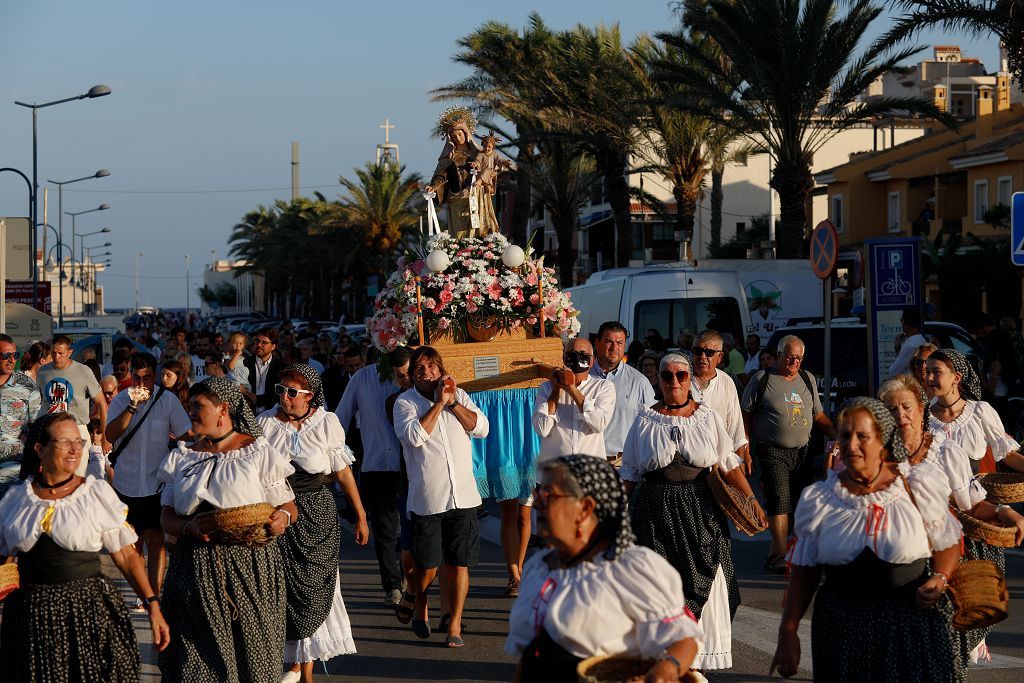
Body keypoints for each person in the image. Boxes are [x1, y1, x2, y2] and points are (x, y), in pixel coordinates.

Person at [771, 398, 962, 682]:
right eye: (844, 435)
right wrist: (788, 632)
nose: (850, 445)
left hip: (908, 627)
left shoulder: (917, 487)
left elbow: (948, 542)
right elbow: (805, 573)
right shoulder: (820, 499)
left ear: (883, 440)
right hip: (841, 631)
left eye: (862, 436)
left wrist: (941, 577)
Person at [621, 353, 764, 673]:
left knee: (710, 578)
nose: (674, 381)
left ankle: (693, 660)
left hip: (701, 511)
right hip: (654, 513)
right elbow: (629, 472)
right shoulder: (644, 419)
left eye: (681, 376)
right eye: (667, 376)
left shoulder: (708, 417)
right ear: (658, 380)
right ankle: (665, 657)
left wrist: (751, 499)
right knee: (659, 583)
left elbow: (728, 463)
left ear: (689, 380)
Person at [0, 413, 170, 680]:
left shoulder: (94, 494)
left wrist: (152, 605)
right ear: (40, 449)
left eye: (78, 442)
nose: (74, 450)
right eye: (64, 442)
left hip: (86, 610)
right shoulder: (17, 500)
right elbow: (5, 561)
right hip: (32, 617)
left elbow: (126, 555)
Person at [507, 456, 702, 682]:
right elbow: (528, 658)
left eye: (549, 493)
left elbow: (683, 639)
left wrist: (667, 669)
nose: (538, 501)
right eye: (538, 492)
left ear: (585, 508)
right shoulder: (539, 567)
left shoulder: (629, 570)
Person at [881, 374, 1024, 677]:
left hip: (937, 571)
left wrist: (1003, 510)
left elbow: (969, 504)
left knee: (944, 660)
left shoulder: (945, 452)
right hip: (889, 572)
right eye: (891, 410)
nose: (901, 416)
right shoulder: (873, 456)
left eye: (906, 407)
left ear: (922, 409)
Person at [157, 377, 297, 681]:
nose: (191, 412)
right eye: (189, 406)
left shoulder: (256, 452)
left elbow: (288, 506)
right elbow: (166, 518)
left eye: (198, 406)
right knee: (196, 667)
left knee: (252, 660)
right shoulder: (182, 456)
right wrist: (188, 527)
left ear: (223, 409)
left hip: (250, 569)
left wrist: (281, 519)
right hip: (193, 572)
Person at [258, 364, 368, 683]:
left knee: (317, 586)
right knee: (288, 589)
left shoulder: (327, 423)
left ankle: (305, 670)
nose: (285, 397)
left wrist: (360, 515)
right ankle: (295, 664)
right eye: (281, 390)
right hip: (278, 513)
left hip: (319, 514)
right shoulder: (264, 423)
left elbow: (343, 471)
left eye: (293, 392)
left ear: (309, 397)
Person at [393, 346, 489, 647]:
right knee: (428, 568)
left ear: (441, 368)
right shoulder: (404, 403)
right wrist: (437, 406)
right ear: (412, 375)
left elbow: (482, 428)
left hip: (464, 497)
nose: (427, 373)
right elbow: (413, 437)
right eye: (420, 368)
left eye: (432, 367)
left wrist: (453, 404)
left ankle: (454, 625)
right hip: (429, 498)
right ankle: (415, 593)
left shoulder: (458, 395)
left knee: (460, 563)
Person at [741, 334, 834, 573]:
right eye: (790, 357)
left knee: (797, 502)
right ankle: (781, 555)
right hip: (771, 450)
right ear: (779, 356)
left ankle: (776, 552)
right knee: (779, 499)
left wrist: (840, 433)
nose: (794, 362)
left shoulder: (807, 378)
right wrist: (745, 448)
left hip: (802, 452)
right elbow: (746, 416)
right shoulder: (762, 379)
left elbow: (818, 416)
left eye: (799, 358)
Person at [104, 352, 191, 605]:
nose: (141, 384)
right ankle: (143, 594)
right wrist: (132, 406)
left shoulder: (168, 400)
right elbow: (110, 434)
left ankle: (153, 597)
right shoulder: (121, 399)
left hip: (156, 482)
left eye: (147, 378)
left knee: (155, 541)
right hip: (126, 482)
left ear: (155, 376)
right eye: (137, 378)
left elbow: (185, 433)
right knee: (134, 544)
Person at [336, 351, 405, 606]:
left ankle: (408, 573)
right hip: (375, 464)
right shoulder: (361, 378)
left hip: (410, 465)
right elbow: (341, 417)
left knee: (412, 527)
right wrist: (334, 449)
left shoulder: (411, 375)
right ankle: (392, 585)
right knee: (385, 531)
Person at [926, 348, 1024, 475]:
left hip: (973, 493)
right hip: (934, 493)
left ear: (956, 377)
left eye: (936, 372)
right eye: (927, 371)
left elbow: (1008, 455)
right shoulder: (923, 416)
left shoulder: (979, 412)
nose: (929, 378)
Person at [532, 337, 616, 462]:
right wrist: (556, 390)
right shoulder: (547, 388)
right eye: (571, 355)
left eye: (583, 355)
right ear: (564, 358)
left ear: (592, 362)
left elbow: (599, 425)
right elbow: (542, 429)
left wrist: (571, 389)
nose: (577, 359)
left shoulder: (603, 387)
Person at [36, 335, 107, 476]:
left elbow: (102, 404)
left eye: (61, 353)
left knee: (77, 479)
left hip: (77, 430)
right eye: (53, 353)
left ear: (70, 352)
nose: (57, 357)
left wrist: (105, 437)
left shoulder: (84, 371)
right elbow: (41, 403)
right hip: (51, 431)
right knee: (54, 478)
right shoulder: (42, 372)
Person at [590, 321, 656, 466]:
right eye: (608, 342)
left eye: (619, 343)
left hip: (622, 466)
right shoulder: (582, 378)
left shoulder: (639, 382)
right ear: (597, 343)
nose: (614, 348)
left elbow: (653, 427)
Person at [689, 330, 751, 474]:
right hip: (689, 464)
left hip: (720, 464)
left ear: (720, 356)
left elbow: (736, 427)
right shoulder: (681, 379)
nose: (702, 357)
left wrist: (740, 461)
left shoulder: (726, 382)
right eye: (698, 351)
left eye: (709, 352)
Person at [425, 108, 488, 236]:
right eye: (454, 136)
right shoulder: (448, 156)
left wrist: (480, 175)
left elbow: (488, 169)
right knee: (458, 232)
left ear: (466, 133)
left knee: (474, 230)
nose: (458, 138)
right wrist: (433, 187)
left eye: (460, 134)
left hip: (474, 195)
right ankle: (458, 252)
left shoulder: (477, 153)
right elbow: (441, 176)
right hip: (455, 197)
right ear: (450, 138)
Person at [0, 334, 40, 464]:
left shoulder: (27, 385)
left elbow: (37, 423)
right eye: (6, 355)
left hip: (15, 467)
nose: (12, 360)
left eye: (15, 355)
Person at [244, 327, 287, 411]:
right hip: (247, 414)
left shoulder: (281, 367)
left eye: (264, 342)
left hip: (271, 416)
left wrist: (258, 399)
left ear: (273, 346)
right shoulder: (245, 363)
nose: (259, 345)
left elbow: (279, 394)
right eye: (257, 341)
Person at [888, 308, 927, 378]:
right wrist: (898, 346)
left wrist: (897, 346)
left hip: (910, 385)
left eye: (901, 320)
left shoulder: (910, 345)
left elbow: (892, 372)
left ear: (905, 323)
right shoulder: (921, 340)